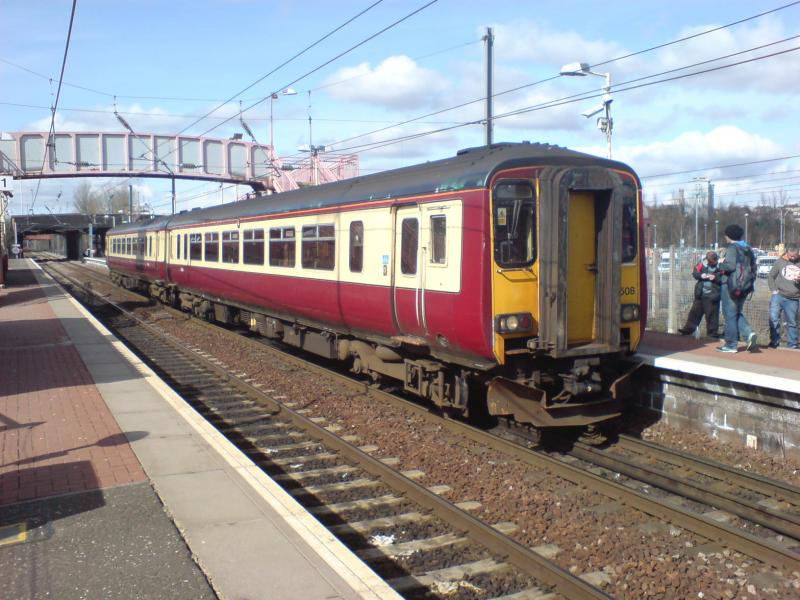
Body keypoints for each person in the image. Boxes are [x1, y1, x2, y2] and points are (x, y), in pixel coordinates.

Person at [717, 224, 758, 353]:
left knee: (730, 315)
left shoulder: (732, 248)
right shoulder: (748, 249)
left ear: (729, 236)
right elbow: (754, 267)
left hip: (730, 285)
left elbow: (730, 266)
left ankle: (731, 345)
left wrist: (720, 264)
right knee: (736, 312)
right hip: (745, 286)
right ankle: (748, 334)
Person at [678, 251, 721, 337]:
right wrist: (701, 275)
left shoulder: (720, 266)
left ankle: (712, 335)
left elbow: (724, 278)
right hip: (700, 294)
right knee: (694, 313)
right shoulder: (702, 264)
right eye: (711, 261)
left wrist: (715, 277)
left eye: (714, 261)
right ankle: (688, 330)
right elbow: (695, 273)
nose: (713, 262)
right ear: (708, 260)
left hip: (712, 295)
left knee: (712, 316)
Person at [767, 243, 800, 349]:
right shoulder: (779, 262)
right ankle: (774, 341)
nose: (793, 258)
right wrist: (773, 290)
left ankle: (792, 344)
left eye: (795, 255)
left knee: (792, 322)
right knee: (774, 318)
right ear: (787, 253)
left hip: (793, 298)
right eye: (791, 256)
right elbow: (771, 276)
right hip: (779, 295)